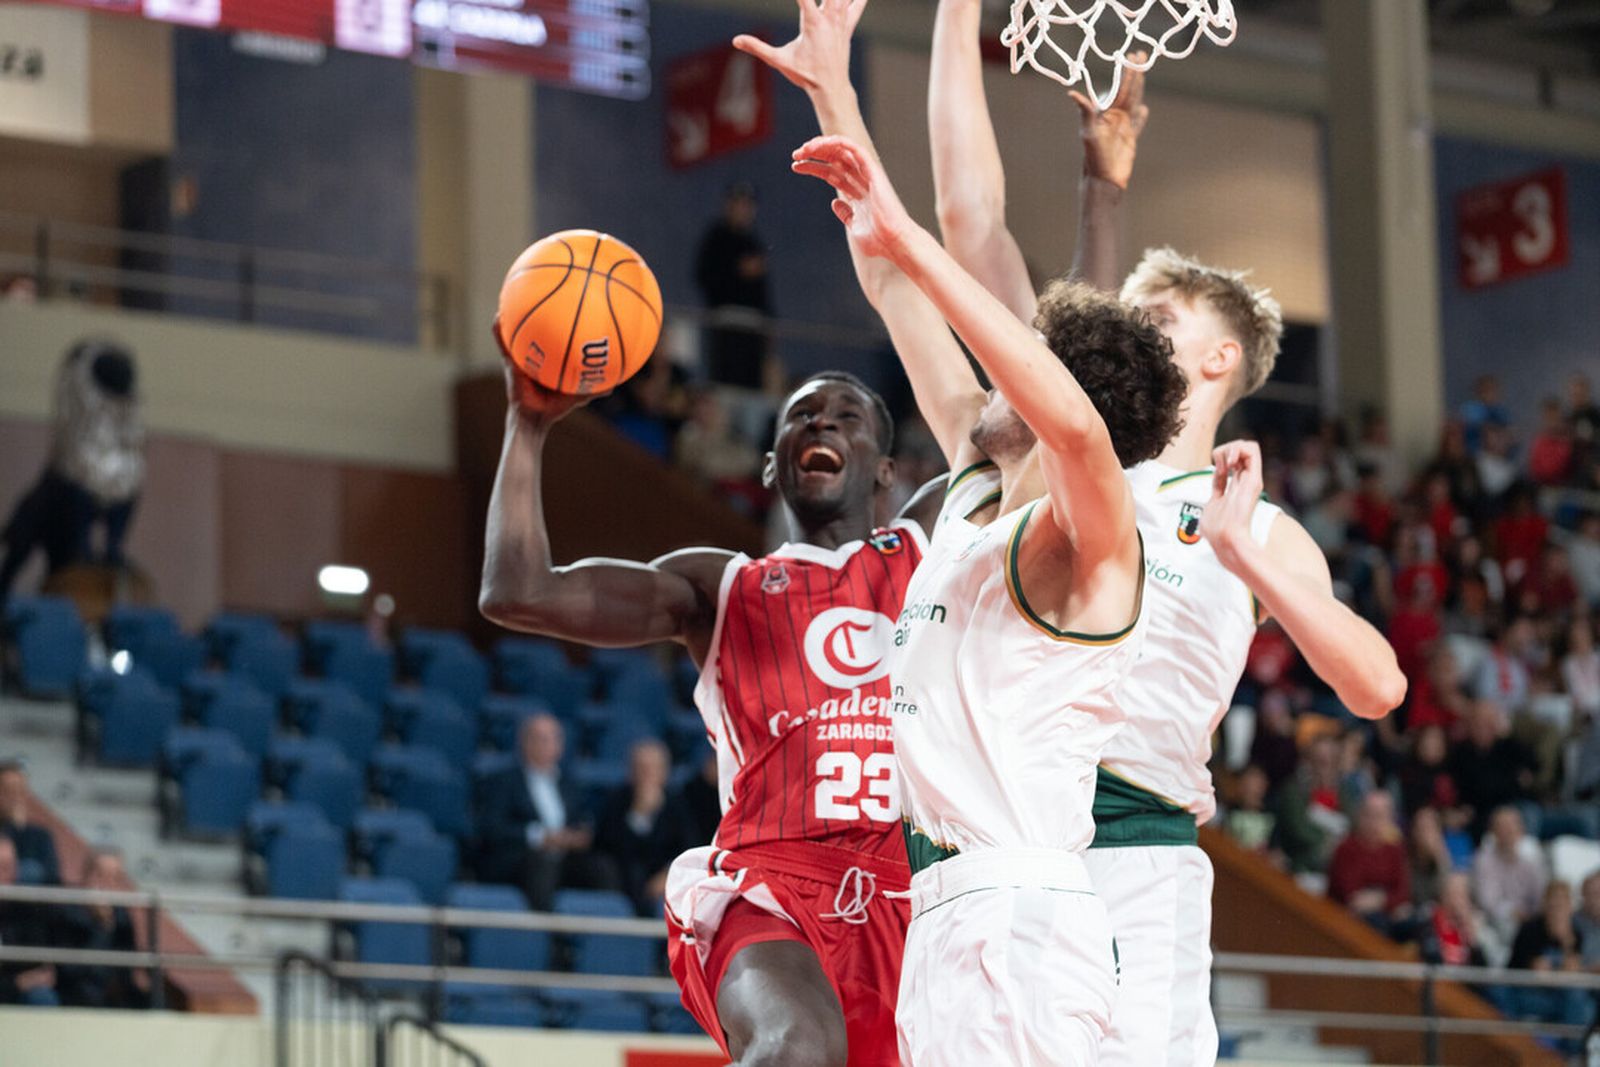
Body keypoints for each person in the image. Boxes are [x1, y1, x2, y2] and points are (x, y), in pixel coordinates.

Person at [915, 3, 1407, 1060]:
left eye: (1164, 324)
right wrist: (1096, 181)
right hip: (1008, 830)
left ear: (1220, 360)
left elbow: (1376, 687)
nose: (1133, 333)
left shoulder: (1256, 519)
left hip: (1136, 841)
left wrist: (1247, 565)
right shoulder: (1066, 452)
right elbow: (975, 231)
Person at [482, 305, 939, 1062]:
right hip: (773, 883)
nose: (822, 423)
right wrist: (526, 425)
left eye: (846, 414)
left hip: (909, 899)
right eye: (802, 416)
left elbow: (1035, 423)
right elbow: (518, 591)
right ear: (772, 465)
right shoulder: (719, 587)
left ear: (887, 469)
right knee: (792, 1042)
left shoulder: (929, 548)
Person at [0, 339, 145, 604]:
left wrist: (112, 546)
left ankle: (108, 549)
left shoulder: (125, 419)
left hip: (106, 483)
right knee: (32, 540)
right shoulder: (81, 400)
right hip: (59, 497)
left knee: (66, 569)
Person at [475, 714, 614, 911]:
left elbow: (580, 820)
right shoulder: (502, 781)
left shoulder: (570, 785)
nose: (550, 745)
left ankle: (606, 933)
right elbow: (491, 827)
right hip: (519, 859)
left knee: (602, 867)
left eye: (555, 738)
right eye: (542, 739)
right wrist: (540, 837)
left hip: (565, 859)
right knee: (542, 863)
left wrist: (577, 836)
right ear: (525, 742)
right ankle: (545, 937)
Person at [593, 739, 694, 916]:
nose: (646, 774)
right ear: (630, 771)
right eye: (640, 768)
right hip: (624, 880)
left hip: (664, 878)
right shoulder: (617, 801)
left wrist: (670, 874)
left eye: (652, 768)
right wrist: (638, 815)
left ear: (664, 772)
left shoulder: (677, 804)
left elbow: (689, 848)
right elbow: (606, 845)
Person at [694, 182, 773, 392]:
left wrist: (769, 323)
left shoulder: (753, 242)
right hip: (726, 320)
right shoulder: (716, 238)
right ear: (728, 205)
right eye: (739, 203)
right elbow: (704, 277)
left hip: (753, 326)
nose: (743, 209)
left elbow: (762, 293)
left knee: (750, 388)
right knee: (726, 387)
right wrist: (737, 270)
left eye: (748, 205)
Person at [56, 850, 148, 1009]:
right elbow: (69, 970)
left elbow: (129, 959)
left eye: (115, 878)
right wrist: (102, 926)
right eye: (101, 875)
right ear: (86, 877)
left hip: (115, 990)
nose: (108, 884)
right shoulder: (67, 911)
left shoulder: (121, 913)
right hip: (75, 990)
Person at [1499, 881, 1592, 1039]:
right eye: (1553, 904)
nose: (1557, 910)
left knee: (1583, 1003)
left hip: (1557, 994)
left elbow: (1572, 971)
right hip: (1525, 991)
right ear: (1545, 905)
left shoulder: (1575, 932)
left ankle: (1573, 1053)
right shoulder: (1531, 929)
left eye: (1562, 904)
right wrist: (1559, 972)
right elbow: (1540, 975)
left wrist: (1566, 942)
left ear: (1570, 907)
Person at [1326, 791, 1411, 937]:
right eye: (1368, 815)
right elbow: (1351, 895)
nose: (1373, 822)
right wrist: (1387, 900)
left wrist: (1381, 900)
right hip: (1347, 917)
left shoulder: (1394, 850)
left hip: (1386, 912)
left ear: (1389, 820)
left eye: (1379, 816)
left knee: (1416, 924)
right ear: (1360, 816)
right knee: (1377, 924)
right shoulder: (1346, 849)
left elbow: (1403, 892)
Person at [1472, 806, 1547, 946]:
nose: (1508, 832)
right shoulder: (1483, 860)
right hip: (1494, 923)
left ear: (1521, 831)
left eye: (1512, 827)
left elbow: (1540, 897)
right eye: (1502, 827)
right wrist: (1514, 913)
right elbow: (1487, 902)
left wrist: (1531, 915)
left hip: (1528, 921)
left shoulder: (1531, 861)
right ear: (1493, 832)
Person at [0, 836, 58, 1006]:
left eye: (10, 867)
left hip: (14, 993)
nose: (8, 874)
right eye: (1, 867)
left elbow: (39, 970)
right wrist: (16, 983)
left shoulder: (27, 911)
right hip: (10, 986)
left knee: (42, 996)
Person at [0, 763, 60, 886]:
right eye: (8, 791)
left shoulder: (40, 834)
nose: (15, 797)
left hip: (23, 902)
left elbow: (51, 876)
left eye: (20, 791)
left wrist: (18, 828)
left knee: (31, 870)